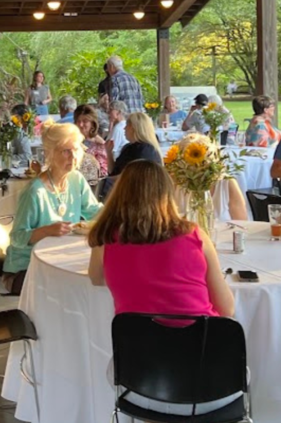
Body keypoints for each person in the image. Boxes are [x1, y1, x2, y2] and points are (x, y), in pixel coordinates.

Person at [87, 160, 239, 417]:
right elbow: (227, 309)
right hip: (212, 382)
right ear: (167, 192)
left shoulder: (106, 238)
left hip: (141, 383)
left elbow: (95, 278)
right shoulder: (194, 235)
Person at [3, 121, 102, 293]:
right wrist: (46, 231)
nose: (73, 157)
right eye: (66, 151)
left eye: (76, 149)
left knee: (93, 279)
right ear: (50, 153)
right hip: (26, 268)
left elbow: (94, 211)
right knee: (72, 287)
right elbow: (17, 238)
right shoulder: (35, 192)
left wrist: (121, 212)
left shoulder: (76, 179)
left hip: (60, 259)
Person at [108, 112, 161, 177]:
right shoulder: (149, 148)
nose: (124, 128)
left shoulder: (139, 151)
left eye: (127, 125)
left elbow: (120, 176)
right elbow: (114, 172)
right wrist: (109, 153)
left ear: (132, 128)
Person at [75, 105, 108, 184]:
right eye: (78, 121)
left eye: (85, 121)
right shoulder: (73, 141)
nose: (81, 124)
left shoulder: (99, 145)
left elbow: (103, 173)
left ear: (93, 124)